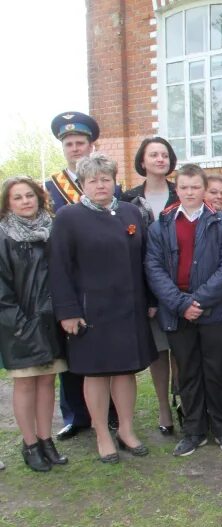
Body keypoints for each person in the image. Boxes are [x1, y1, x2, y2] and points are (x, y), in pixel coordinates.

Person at [49, 153, 156, 463]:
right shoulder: (69, 217)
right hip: (90, 312)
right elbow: (59, 268)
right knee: (95, 374)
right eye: (92, 180)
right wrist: (67, 311)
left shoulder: (129, 213)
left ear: (114, 181)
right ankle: (102, 434)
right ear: (82, 184)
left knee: (125, 372)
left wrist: (149, 300)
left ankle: (125, 430)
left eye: (105, 179)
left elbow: (145, 260)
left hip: (129, 309)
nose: (100, 185)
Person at [145, 164, 222, 456]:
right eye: (184, 187)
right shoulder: (160, 225)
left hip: (215, 311)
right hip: (178, 310)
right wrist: (182, 303)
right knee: (187, 372)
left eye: (195, 187)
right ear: (177, 189)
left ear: (204, 189)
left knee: (216, 370)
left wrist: (199, 300)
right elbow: (153, 267)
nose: (189, 193)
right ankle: (194, 430)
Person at [44, 111, 113, 441]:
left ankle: (110, 414)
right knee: (71, 353)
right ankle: (75, 415)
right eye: (69, 143)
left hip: (104, 283)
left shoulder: (108, 183)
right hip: (69, 280)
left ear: (91, 144)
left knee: (108, 351)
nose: (75, 148)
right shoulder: (49, 188)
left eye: (80, 142)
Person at [0, 177, 68, 471]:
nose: (26, 201)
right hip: (19, 323)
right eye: (18, 198)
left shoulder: (52, 230)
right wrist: (20, 324)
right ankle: (29, 444)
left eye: (30, 195)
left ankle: (46, 439)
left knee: (47, 381)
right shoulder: (4, 236)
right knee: (26, 382)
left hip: (51, 321)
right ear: (8, 204)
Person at [121, 136, 179, 436]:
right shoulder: (128, 200)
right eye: (153, 154)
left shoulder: (181, 193)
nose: (160, 159)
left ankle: (182, 401)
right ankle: (164, 409)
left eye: (164, 154)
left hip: (181, 285)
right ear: (142, 161)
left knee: (181, 350)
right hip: (147, 286)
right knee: (159, 352)